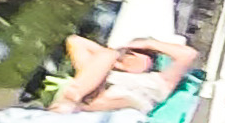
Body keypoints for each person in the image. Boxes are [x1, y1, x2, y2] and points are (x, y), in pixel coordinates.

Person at [55, 35, 194, 117]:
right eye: (129, 53)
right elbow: (74, 40)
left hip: (127, 103)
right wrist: (116, 56)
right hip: (90, 94)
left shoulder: (160, 80)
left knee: (120, 96)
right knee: (106, 56)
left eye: (142, 53)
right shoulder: (102, 73)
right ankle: (71, 100)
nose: (131, 57)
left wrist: (148, 43)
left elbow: (188, 54)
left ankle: (71, 103)